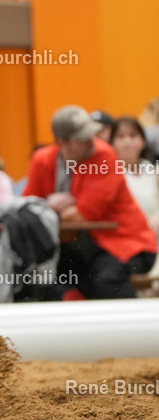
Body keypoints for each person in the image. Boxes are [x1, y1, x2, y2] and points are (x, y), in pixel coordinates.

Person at [24, 106, 157, 298]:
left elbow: (82, 216)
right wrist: (49, 204)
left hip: (128, 243)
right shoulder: (42, 160)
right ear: (63, 142)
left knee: (105, 280)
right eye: (82, 138)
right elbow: (27, 209)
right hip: (80, 246)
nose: (90, 141)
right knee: (41, 279)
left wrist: (47, 209)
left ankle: (134, 326)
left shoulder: (104, 156)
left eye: (91, 134)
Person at [110, 117, 159, 236]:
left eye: (133, 135)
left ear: (143, 141)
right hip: (127, 235)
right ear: (112, 142)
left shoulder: (153, 170)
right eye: (121, 137)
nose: (128, 142)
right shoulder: (108, 172)